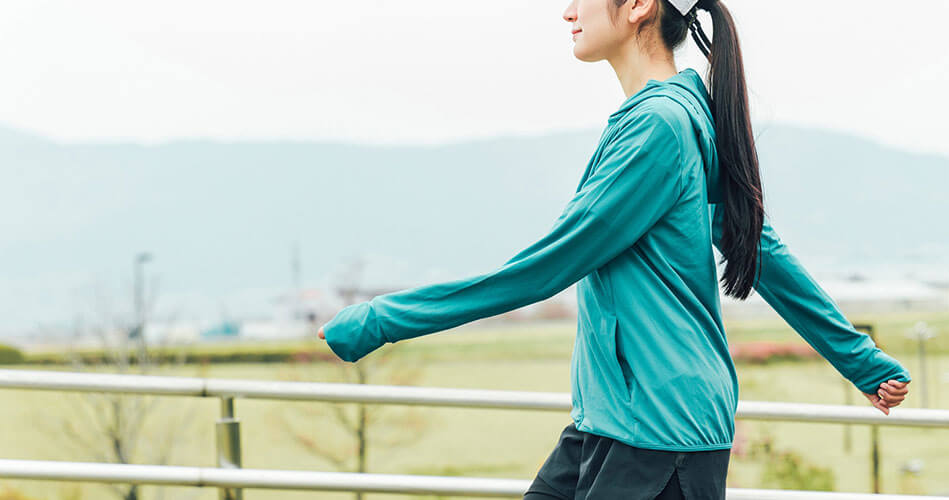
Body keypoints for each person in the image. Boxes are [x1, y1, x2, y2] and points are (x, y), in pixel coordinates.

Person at [318, 0, 912, 497]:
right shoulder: (679, 113)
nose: (567, 11)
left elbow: (544, 268)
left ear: (636, 7)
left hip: (658, 433)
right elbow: (762, 249)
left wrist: (379, 320)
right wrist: (859, 359)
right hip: (615, 421)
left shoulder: (659, 127)